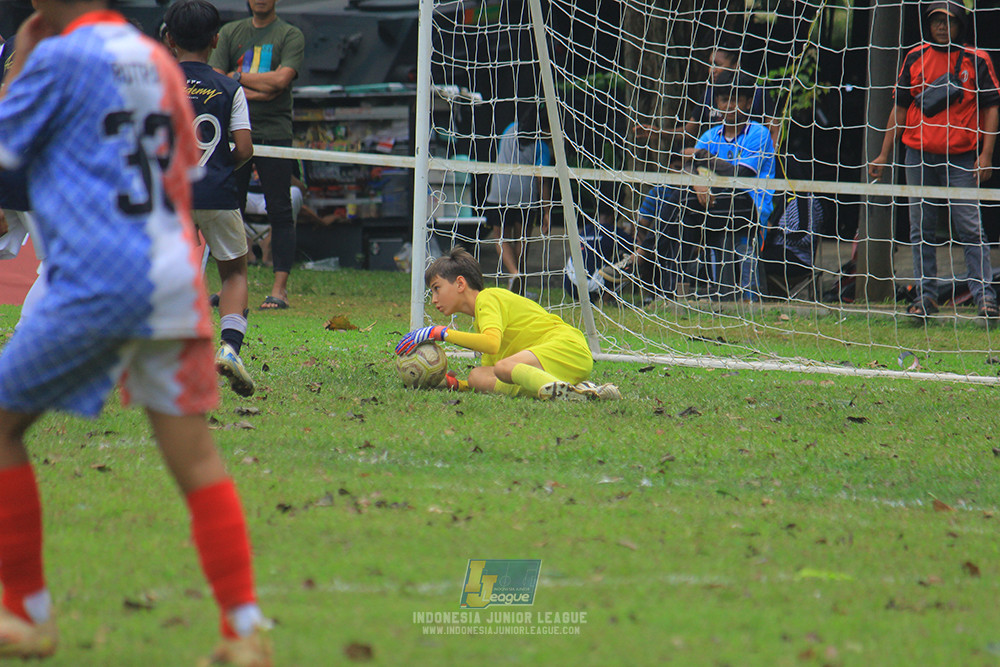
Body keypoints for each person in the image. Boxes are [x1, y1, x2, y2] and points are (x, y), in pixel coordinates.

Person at [0, 3, 270, 665]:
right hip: (171, 272)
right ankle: (245, 630)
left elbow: (4, 156)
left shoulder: (60, 59)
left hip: (97, 275)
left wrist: (17, 64)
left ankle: (27, 612)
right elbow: (181, 165)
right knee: (197, 457)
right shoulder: (157, 62)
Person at [869, 1, 999, 320]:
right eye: (936, 21)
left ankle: (985, 296)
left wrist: (986, 154)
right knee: (921, 227)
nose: (942, 27)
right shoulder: (915, 57)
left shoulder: (977, 59)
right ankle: (926, 296)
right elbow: (899, 109)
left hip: (962, 158)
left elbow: (992, 106)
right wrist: (884, 154)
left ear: (960, 25)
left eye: (949, 21)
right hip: (919, 154)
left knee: (970, 226)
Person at [165, 0, 256, 398]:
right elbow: (245, 147)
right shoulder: (230, 87)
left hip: (170, 196)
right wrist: (220, 163)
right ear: (217, 39)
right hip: (218, 192)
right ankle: (230, 348)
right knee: (234, 272)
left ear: (168, 39)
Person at [395, 247, 620, 401]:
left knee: (503, 367)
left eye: (436, 288)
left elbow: (492, 344)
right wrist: (453, 383)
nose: (434, 299)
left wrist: (439, 333)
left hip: (566, 347)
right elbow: (488, 372)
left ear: (460, 283)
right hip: (555, 363)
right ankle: (576, 390)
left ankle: (562, 389)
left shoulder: (488, 298)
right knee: (478, 375)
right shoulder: (482, 321)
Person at [209, 0, 304, 310]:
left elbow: (281, 80)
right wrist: (260, 89)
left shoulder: (290, 35)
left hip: (275, 131)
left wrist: (237, 80)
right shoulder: (229, 32)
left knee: (280, 207)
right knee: (229, 206)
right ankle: (231, 287)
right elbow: (215, 76)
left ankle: (279, 290)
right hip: (235, 129)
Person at [682, 72, 776, 301]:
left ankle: (738, 294)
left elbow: (741, 175)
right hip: (715, 202)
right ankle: (674, 280)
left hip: (750, 205)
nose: (731, 106)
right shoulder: (710, 135)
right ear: (717, 103)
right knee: (673, 199)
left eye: (737, 100)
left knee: (688, 205)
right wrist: (696, 182)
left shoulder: (759, 133)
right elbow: (687, 165)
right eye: (725, 100)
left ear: (748, 102)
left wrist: (703, 157)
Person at [636, 44, 778, 150]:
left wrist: (766, 161)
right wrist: (659, 133)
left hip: (746, 161)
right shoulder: (709, 94)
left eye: (718, 65)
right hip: (714, 163)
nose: (712, 70)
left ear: (736, 65)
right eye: (710, 65)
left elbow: (774, 129)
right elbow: (689, 132)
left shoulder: (757, 93)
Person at [483, 104, 552, 295]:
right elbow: (543, 180)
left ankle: (513, 276)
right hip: (524, 195)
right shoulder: (541, 145)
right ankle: (518, 278)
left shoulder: (508, 130)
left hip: (499, 191)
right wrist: (547, 212)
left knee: (501, 236)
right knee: (522, 239)